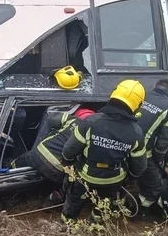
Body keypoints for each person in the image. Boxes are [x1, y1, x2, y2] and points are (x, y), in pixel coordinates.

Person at [60, 80, 148, 221]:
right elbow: (140, 166)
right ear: (138, 105)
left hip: (85, 175)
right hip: (113, 180)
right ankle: (93, 229)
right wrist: (131, 177)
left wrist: (67, 162)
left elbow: (70, 149)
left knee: (75, 200)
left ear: (113, 95)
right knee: (103, 206)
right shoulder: (136, 133)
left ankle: (67, 225)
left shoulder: (90, 121)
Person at [9, 107, 95, 202]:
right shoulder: (92, 136)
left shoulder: (72, 120)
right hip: (57, 170)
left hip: (38, 154)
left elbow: (51, 118)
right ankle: (52, 200)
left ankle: (8, 168)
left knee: (19, 161)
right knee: (66, 182)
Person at [135, 78, 168, 209]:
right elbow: (165, 140)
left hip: (125, 140)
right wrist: (158, 159)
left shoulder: (142, 95)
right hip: (143, 150)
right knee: (155, 185)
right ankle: (143, 209)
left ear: (155, 85)